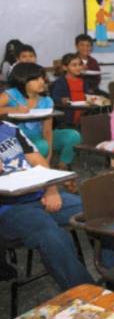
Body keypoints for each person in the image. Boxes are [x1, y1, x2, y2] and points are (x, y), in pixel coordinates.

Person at [0, 120, 93, 290]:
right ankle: (89, 297)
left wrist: (51, 190)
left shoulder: (8, 128)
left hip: (40, 195)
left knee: (97, 209)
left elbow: (38, 161)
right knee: (50, 235)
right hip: (9, 209)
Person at [0, 63, 81, 171]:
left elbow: (47, 131)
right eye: (36, 79)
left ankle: (62, 167)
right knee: (42, 145)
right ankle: (30, 170)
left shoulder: (47, 101)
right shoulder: (11, 95)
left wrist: (49, 158)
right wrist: (12, 110)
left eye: (42, 78)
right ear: (23, 80)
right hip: (16, 140)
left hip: (39, 135)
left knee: (73, 135)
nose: (42, 82)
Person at [50, 53, 107, 126]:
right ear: (65, 67)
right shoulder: (60, 82)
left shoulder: (84, 81)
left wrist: (93, 98)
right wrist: (62, 100)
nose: (78, 67)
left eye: (80, 64)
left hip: (85, 116)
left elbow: (89, 95)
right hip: (69, 118)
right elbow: (55, 97)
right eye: (74, 65)